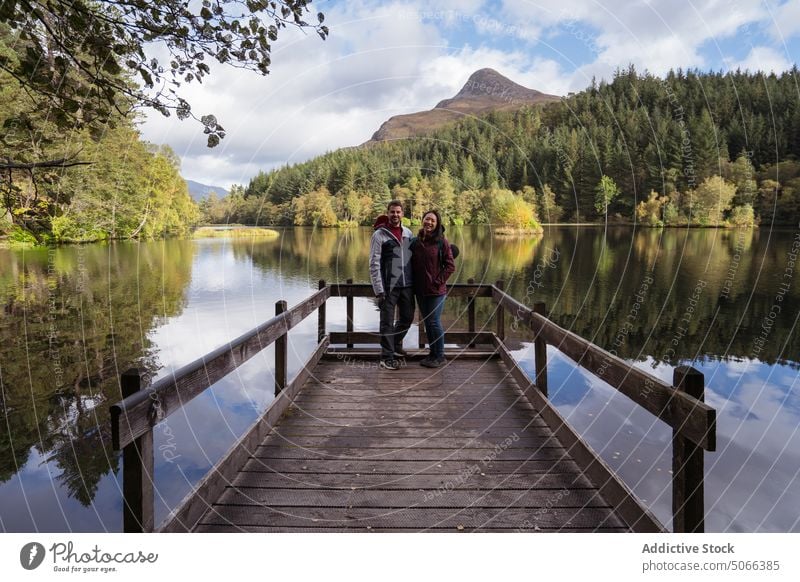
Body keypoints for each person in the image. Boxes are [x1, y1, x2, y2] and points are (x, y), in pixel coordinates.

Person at [369, 200, 415, 370]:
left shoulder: (408, 233)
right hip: (388, 287)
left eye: (398, 212)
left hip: (407, 285)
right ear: (387, 213)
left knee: (407, 318)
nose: (395, 215)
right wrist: (379, 290)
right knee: (387, 322)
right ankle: (386, 357)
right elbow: (373, 263)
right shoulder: (379, 235)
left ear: (402, 214)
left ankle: (394, 345)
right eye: (392, 212)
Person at [411, 210, 455, 368]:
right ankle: (433, 353)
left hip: (436, 291)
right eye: (426, 219)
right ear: (422, 220)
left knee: (434, 322)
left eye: (432, 221)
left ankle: (440, 356)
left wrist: (437, 282)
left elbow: (450, 266)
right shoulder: (416, 241)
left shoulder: (441, 242)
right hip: (420, 290)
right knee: (428, 322)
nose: (429, 222)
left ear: (437, 224)